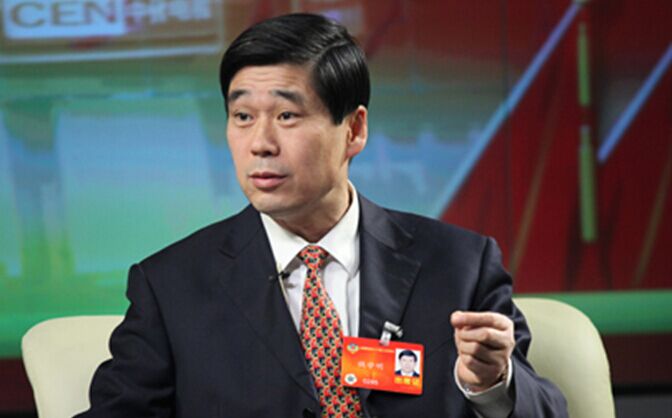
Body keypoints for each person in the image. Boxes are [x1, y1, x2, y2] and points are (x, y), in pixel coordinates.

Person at [77, 13, 567, 418]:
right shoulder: (171, 286)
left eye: (287, 116)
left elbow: (546, 409)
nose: (260, 143)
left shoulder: (460, 265)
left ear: (354, 130)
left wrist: (490, 386)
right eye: (242, 116)